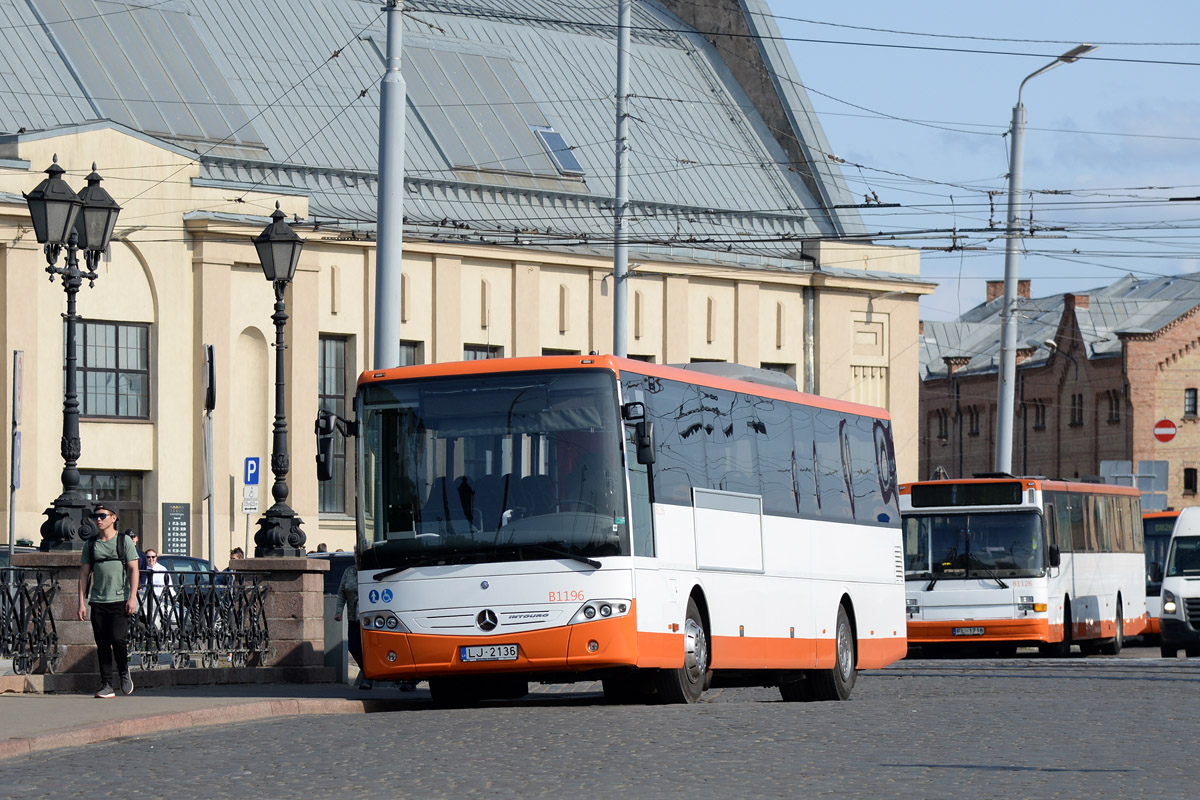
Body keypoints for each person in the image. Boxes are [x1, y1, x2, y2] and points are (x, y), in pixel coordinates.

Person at [79, 504, 139, 698]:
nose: (98, 519)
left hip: (120, 599)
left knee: (117, 638)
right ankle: (106, 685)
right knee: (102, 644)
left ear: (113, 518)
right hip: (98, 600)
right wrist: (81, 602)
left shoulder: (124, 542)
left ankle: (124, 671)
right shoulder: (91, 544)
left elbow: (134, 570)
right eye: (95, 516)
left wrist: (132, 598)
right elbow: (84, 574)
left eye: (102, 515)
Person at [333, 561, 370, 689]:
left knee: (368, 648)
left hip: (370, 619)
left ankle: (368, 678)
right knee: (354, 647)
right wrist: (339, 611)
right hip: (353, 617)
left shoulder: (370, 568)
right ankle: (367, 671)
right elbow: (342, 591)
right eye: (355, 552)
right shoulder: (349, 571)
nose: (356, 554)